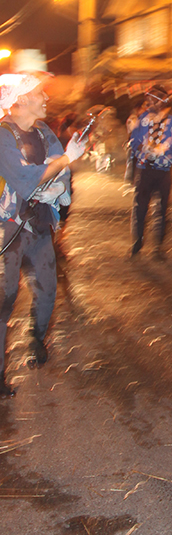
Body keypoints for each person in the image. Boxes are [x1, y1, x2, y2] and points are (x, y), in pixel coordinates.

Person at [0, 73, 86, 396]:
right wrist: (62, 162)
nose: (46, 98)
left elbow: (56, 169)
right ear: (20, 100)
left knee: (47, 289)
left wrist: (59, 181)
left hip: (38, 225)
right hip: (9, 229)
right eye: (39, 93)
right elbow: (26, 179)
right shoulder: (3, 136)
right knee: (5, 300)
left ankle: (35, 338)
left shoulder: (43, 130)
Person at [128, 86, 172, 259]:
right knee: (140, 207)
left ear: (162, 100)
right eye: (148, 99)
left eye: (153, 99)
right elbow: (134, 141)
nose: (149, 103)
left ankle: (158, 245)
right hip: (145, 169)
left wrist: (165, 149)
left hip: (164, 170)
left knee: (162, 209)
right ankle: (137, 241)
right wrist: (146, 148)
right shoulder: (142, 119)